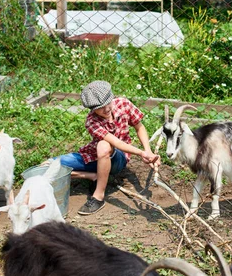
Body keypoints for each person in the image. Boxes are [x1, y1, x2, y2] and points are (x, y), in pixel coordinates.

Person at [48, 80, 160, 215]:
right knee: (48, 166)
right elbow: (116, 142)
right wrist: (142, 153)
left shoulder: (123, 104)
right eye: (100, 108)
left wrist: (147, 150)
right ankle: (92, 176)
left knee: (103, 145)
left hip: (117, 159)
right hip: (94, 157)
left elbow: (139, 127)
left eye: (108, 103)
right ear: (92, 109)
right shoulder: (91, 122)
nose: (106, 109)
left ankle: (98, 196)